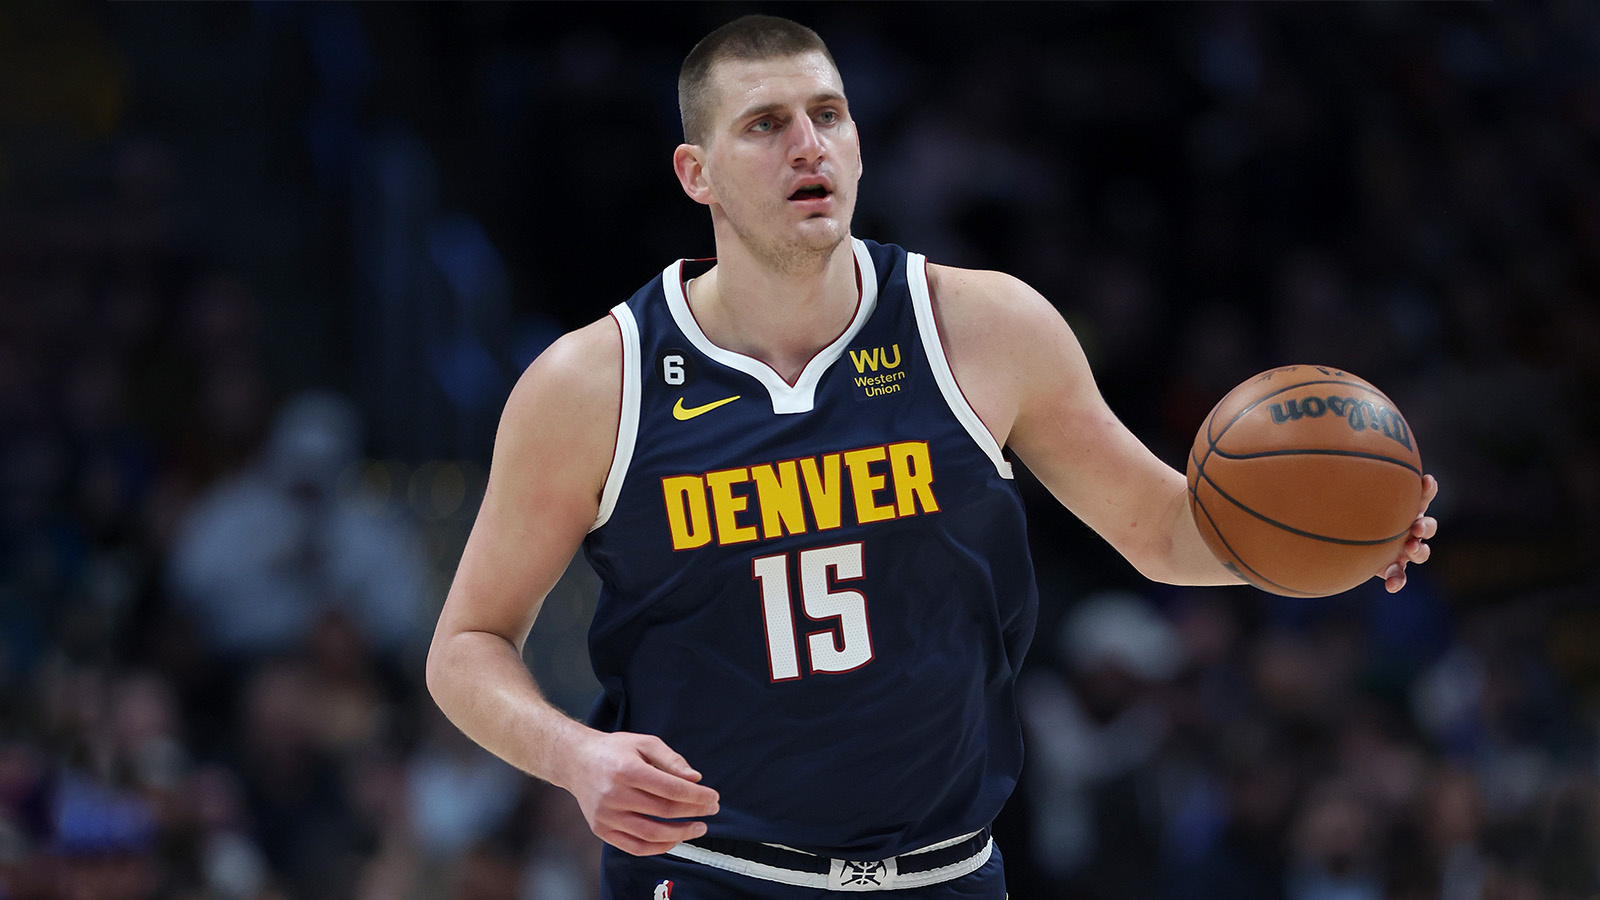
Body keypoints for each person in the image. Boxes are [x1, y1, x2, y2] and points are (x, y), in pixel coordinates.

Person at [425, 15, 1439, 898]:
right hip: (710, 872)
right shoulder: (594, 384)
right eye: (765, 125)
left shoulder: (984, 328)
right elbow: (466, 645)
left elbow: (1166, 530)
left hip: (947, 874)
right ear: (698, 173)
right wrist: (576, 756)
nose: (807, 145)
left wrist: (1339, 537)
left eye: (828, 115)